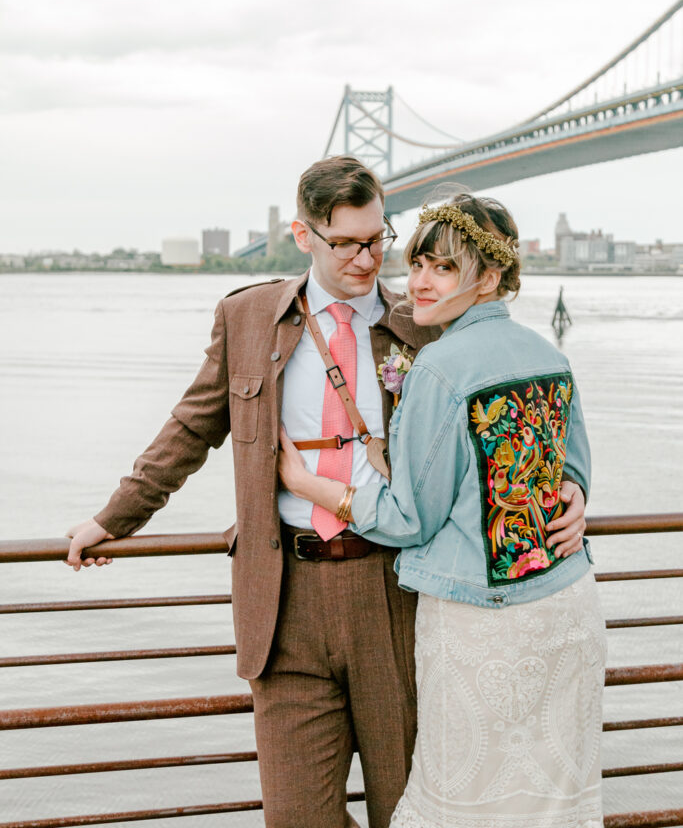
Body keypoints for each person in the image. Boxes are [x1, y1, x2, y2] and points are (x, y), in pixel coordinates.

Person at [65, 160, 588, 828]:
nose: (367, 259)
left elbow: (515, 407)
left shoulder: (428, 321)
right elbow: (191, 427)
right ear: (302, 234)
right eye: (345, 242)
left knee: (406, 812)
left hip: (395, 594)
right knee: (294, 819)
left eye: (376, 239)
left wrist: (566, 485)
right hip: (283, 602)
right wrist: (112, 518)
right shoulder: (247, 317)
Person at [278, 189, 606, 828]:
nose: (419, 282)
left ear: (488, 278)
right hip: (565, 606)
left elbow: (409, 519)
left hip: (479, 620)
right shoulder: (550, 354)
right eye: (418, 263)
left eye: (444, 268)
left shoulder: (439, 368)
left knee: (463, 802)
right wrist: (576, 500)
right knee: (547, 806)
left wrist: (315, 486)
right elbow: (575, 470)